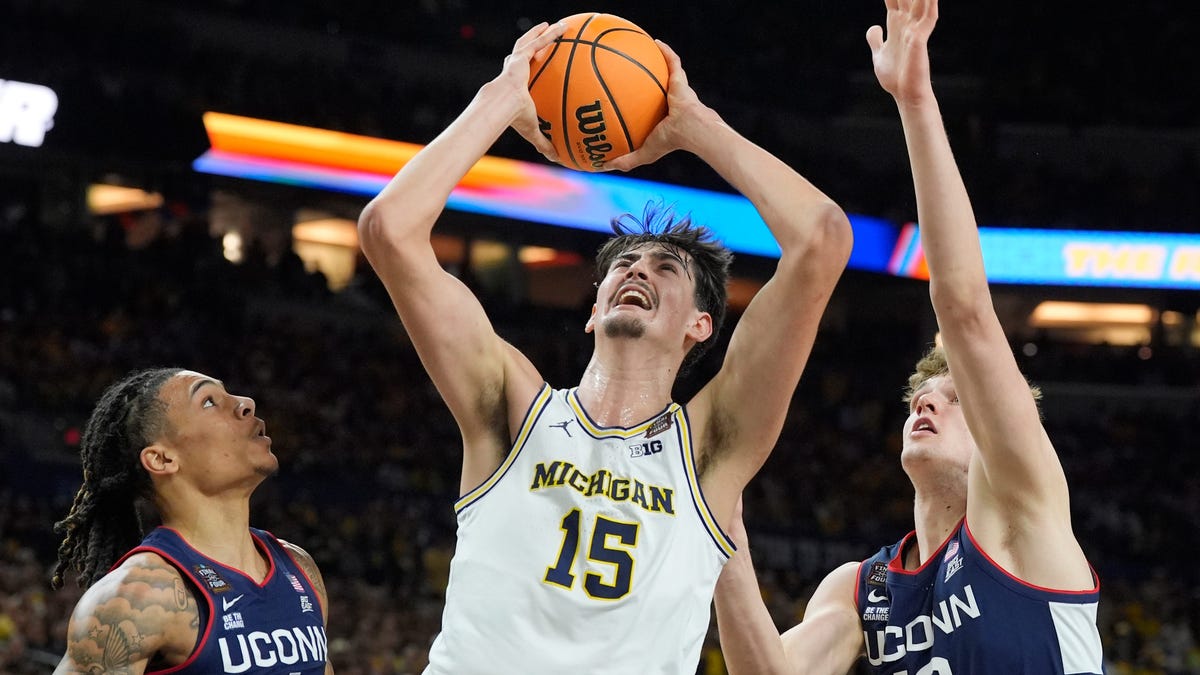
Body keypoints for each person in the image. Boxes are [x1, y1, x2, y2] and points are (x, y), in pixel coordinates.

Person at [356, 20, 853, 675]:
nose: (638, 270)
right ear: (593, 310)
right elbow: (389, 229)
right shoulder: (511, 404)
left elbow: (821, 241)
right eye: (624, 265)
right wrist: (501, 99)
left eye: (666, 268)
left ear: (700, 325)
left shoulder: (709, 446)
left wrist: (693, 124)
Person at [713, 1, 1105, 673]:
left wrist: (916, 100)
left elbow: (964, 309)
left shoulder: (1023, 510)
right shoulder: (864, 589)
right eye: (922, 394)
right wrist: (721, 529)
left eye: (950, 397)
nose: (925, 403)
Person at [51, 368, 334, 674]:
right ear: (162, 459)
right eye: (209, 402)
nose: (246, 403)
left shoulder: (299, 567)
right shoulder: (138, 597)